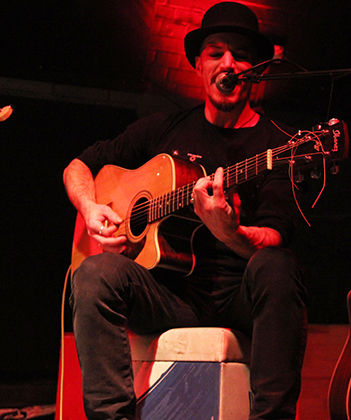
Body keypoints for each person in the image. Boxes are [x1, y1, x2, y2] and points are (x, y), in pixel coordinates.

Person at [63, 2, 308, 419]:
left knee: (278, 266)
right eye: (216, 53)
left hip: (238, 295)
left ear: (256, 70)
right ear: (199, 65)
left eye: (241, 55)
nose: (228, 64)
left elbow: (275, 238)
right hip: (167, 294)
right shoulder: (164, 128)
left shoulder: (278, 147)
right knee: (92, 273)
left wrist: (230, 231)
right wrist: (90, 207)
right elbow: (78, 166)